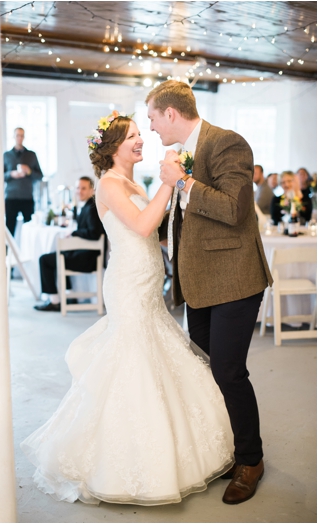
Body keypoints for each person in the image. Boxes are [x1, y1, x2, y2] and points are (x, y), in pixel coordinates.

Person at [22, 112, 235, 506]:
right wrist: (170, 185)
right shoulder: (108, 184)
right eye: (133, 136)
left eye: (141, 134)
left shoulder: (131, 181)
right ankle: (124, 464)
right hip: (127, 284)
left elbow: (155, 231)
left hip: (148, 280)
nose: (141, 140)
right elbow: (141, 226)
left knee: (158, 356)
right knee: (131, 362)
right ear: (113, 146)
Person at [148, 80, 272, 504]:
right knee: (204, 369)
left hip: (235, 278)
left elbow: (235, 211)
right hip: (198, 280)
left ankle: (251, 459)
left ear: (170, 114)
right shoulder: (179, 154)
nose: (150, 128)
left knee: (228, 370)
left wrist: (182, 182)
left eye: (152, 118)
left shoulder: (227, 143)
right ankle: (226, 450)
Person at [34, 177, 104, 312]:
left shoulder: (91, 208)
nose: (79, 191)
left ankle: (54, 301)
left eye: (83, 188)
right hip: (82, 253)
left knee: (45, 260)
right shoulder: (85, 206)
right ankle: (69, 295)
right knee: (57, 255)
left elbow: (95, 233)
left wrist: (74, 233)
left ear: (92, 190)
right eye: (78, 188)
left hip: (88, 258)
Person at [4, 127, 43, 236]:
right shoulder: (6, 155)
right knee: (9, 227)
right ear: (14, 136)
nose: (20, 138)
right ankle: (7, 253)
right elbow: (0, 176)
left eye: (22, 135)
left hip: (27, 198)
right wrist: (11, 174)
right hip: (11, 197)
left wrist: (29, 171)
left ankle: (28, 252)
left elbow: (40, 176)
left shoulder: (31, 155)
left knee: (29, 229)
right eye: (17, 135)